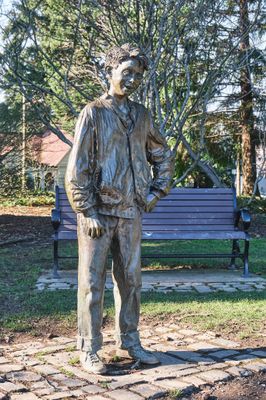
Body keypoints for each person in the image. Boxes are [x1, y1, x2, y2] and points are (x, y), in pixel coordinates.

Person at [65, 44, 174, 374]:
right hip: (97, 213)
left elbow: (163, 156)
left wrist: (155, 192)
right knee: (91, 282)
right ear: (110, 72)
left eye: (138, 75)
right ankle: (89, 346)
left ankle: (130, 340)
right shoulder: (93, 113)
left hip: (130, 212)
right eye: (126, 72)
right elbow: (77, 168)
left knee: (131, 281)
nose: (132, 80)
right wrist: (86, 210)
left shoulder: (142, 115)